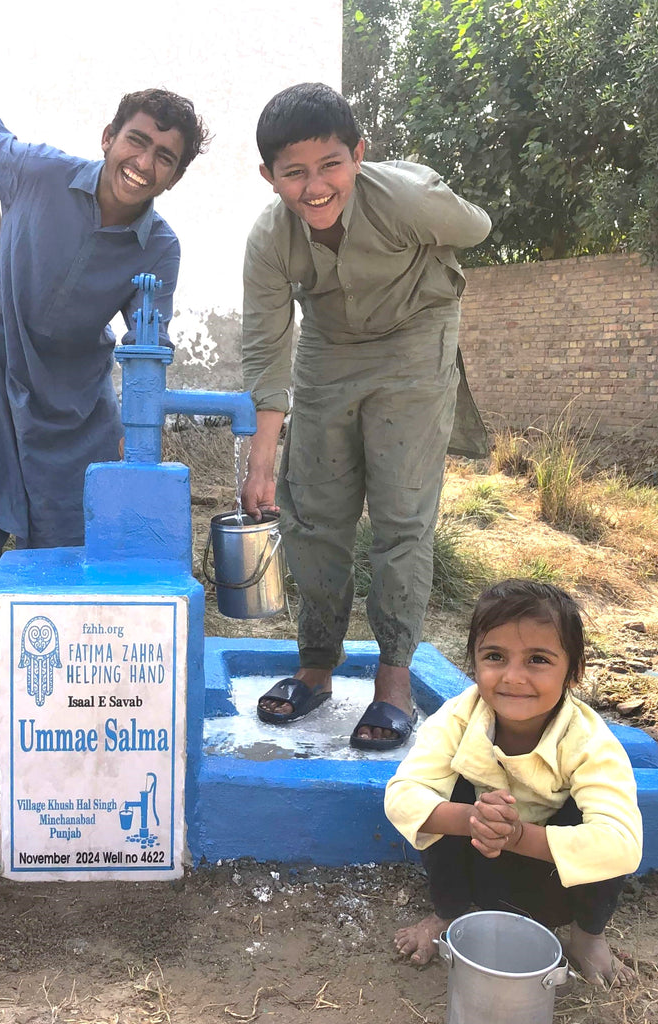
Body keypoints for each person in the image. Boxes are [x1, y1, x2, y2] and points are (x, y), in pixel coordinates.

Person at [0, 89, 209, 746]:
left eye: (165, 156)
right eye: (137, 140)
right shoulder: (39, 171)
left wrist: (136, 421)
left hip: (73, 397)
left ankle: (51, 688)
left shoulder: (157, 248)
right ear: (109, 136)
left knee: (66, 538)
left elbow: (146, 335)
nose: (144, 161)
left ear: (174, 175)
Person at [240, 83, 491, 748]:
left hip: (414, 339)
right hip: (327, 345)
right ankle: (316, 668)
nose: (314, 187)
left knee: (400, 514)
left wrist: (423, 234)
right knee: (313, 512)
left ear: (357, 154)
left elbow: (476, 227)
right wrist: (261, 461)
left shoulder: (405, 198)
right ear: (268, 177)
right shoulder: (269, 239)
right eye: (293, 173)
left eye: (330, 165)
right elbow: (265, 348)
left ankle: (392, 681)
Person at [385, 579, 642, 986]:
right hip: (478, 866)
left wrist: (517, 835)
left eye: (538, 659)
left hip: (552, 883)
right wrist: (471, 819)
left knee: (602, 833)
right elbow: (401, 794)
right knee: (442, 791)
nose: (513, 677)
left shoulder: (589, 741)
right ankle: (448, 913)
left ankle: (587, 937)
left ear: (572, 672)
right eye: (495, 656)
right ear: (474, 664)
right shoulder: (459, 717)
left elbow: (624, 845)